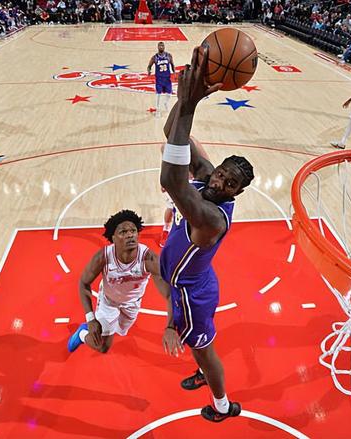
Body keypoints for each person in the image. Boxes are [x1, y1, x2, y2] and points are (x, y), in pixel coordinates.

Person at [159, 46, 255, 422]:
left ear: (237, 194)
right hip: (194, 282)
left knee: (205, 351)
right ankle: (203, 370)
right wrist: (187, 101)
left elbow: (172, 181)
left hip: (192, 294)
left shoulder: (212, 218)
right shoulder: (208, 175)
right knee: (199, 345)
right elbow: (171, 133)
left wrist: (189, 105)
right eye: (221, 174)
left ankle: (222, 405)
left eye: (230, 184)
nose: (219, 182)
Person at [68, 210, 169, 353]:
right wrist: (90, 319)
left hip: (132, 303)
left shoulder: (149, 259)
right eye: (123, 232)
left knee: (121, 331)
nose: (130, 235)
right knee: (103, 347)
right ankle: (82, 334)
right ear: (113, 238)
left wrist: (173, 323)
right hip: (108, 302)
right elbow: (83, 283)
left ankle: (107, 327)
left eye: (133, 231)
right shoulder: (103, 257)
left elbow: (169, 293)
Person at [159, 136, 209, 247]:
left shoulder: (193, 142)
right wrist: (163, 180)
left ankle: (189, 233)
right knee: (170, 208)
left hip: (192, 182)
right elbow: (165, 164)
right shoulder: (166, 146)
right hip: (174, 181)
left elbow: (206, 162)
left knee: (190, 210)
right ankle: (166, 228)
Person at [147, 42, 175, 118]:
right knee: (158, 95)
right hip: (159, 79)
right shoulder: (155, 57)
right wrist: (149, 71)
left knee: (169, 94)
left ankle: (165, 103)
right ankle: (158, 111)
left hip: (167, 78)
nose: (161, 47)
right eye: (160, 46)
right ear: (158, 47)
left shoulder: (169, 56)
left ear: (164, 47)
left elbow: (172, 64)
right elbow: (149, 66)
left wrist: (174, 73)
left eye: (162, 46)